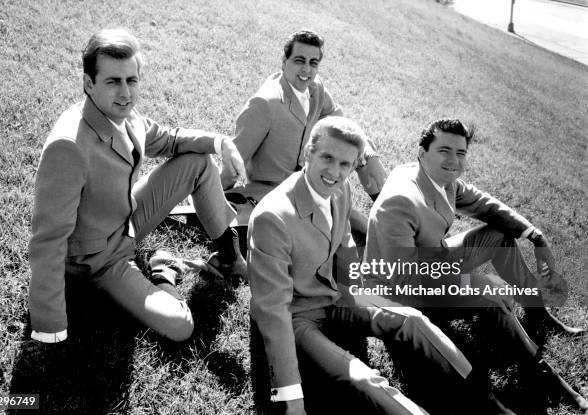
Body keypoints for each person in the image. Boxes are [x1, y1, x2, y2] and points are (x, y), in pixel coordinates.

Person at [249, 116, 514, 415]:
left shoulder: (341, 189)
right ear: (308, 152)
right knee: (366, 379)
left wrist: (360, 298)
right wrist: (291, 399)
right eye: (327, 158)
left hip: (339, 295)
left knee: (412, 319)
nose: (335, 172)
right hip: (297, 315)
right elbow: (273, 314)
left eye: (345, 165)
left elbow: (345, 243)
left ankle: (486, 400)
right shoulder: (272, 218)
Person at [28, 28, 246, 345]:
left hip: (125, 221)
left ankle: (228, 254)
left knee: (198, 161)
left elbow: (170, 140)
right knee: (180, 326)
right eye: (113, 81)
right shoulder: (68, 146)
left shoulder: (126, 115)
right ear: (89, 84)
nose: (125, 92)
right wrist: (49, 326)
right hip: (98, 260)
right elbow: (47, 239)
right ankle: (163, 268)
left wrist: (219, 142)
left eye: (132, 80)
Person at [364, 118, 587, 412]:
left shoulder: (434, 176)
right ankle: (543, 371)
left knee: (498, 235)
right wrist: (473, 283)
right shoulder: (400, 203)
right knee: (487, 298)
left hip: (432, 260)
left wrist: (534, 234)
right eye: (444, 150)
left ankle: (538, 313)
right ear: (422, 152)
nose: (453, 161)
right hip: (399, 294)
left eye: (460, 153)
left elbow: (483, 203)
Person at [221, 30, 385, 237]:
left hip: (312, 178)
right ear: (284, 61)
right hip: (273, 190)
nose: (306, 69)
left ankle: (387, 220)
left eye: (313, 63)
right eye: (300, 60)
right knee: (341, 225)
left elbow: (341, 120)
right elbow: (234, 162)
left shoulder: (315, 89)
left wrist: (370, 155)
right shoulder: (264, 104)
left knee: (361, 168)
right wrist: (211, 195)